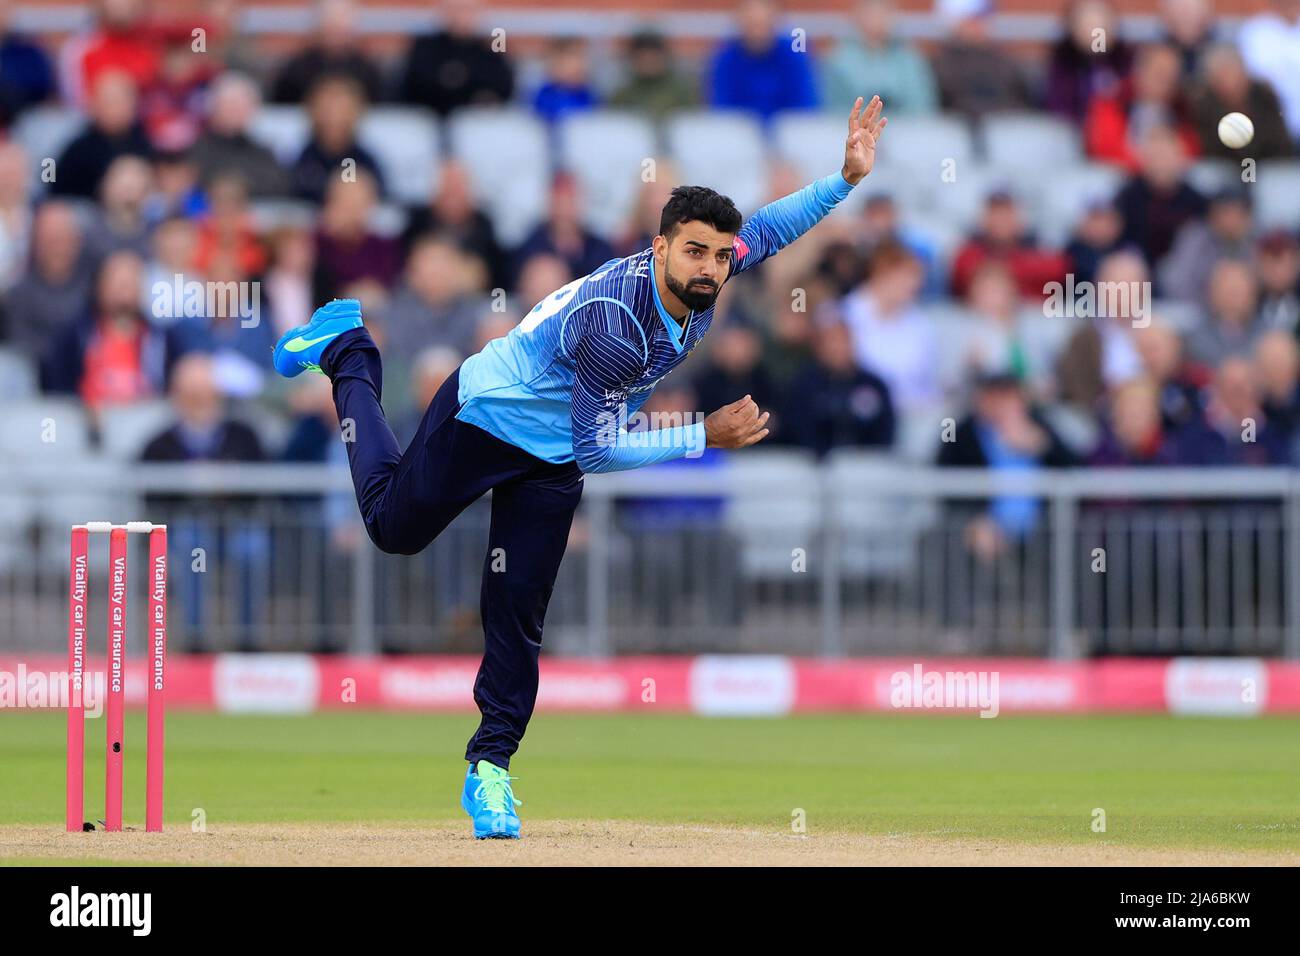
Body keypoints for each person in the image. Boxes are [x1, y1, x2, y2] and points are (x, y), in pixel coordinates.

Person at [270, 96, 889, 840]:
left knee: (517, 615)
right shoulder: (616, 327)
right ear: (660, 248)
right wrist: (702, 435)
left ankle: (490, 771)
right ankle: (350, 352)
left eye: (721, 257)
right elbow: (600, 449)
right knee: (392, 530)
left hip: (554, 452)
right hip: (488, 416)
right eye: (695, 251)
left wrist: (845, 179)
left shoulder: (711, 273)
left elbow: (769, 227)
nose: (712, 267)